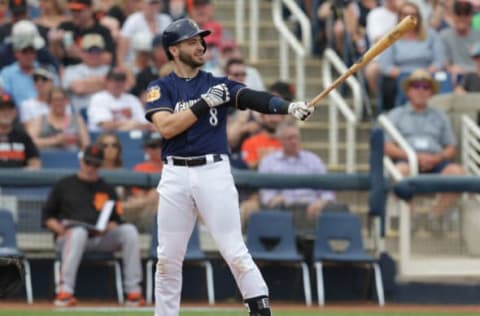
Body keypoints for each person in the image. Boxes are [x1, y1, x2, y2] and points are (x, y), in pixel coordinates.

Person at [144, 18, 314, 316]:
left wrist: (288, 106)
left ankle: (260, 309)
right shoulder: (160, 87)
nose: (200, 45)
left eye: (200, 40)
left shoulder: (217, 83)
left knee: (233, 249)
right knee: (167, 258)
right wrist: (203, 103)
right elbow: (167, 128)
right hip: (175, 173)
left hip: (213, 171)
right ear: (173, 50)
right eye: (191, 41)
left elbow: (252, 98)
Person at [41, 144, 145, 307]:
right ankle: (65, 292)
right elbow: (47, 217)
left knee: (129, 231)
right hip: (69, 238)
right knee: (78, 233)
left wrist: (109, 226)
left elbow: (117, 218)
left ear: (101, 165)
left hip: (100, 238)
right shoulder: (64, 184)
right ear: (81, 161)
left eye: (95, 164)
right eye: (88, 162)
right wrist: (60, 229)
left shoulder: (107, 188)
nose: (91, 167)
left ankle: (134, 293)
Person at [384, 69, 465, 218]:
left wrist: (438, 158)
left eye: (425, 86)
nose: (421, 90)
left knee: (458, 173)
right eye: (416, 86)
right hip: (406, 160)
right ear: (408, 90)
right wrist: (414, 157)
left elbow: (451, 147)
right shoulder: (395, 115)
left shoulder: (441, 116)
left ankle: (434, 218)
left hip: (436, 162)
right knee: (400, 171)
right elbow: (387, 146)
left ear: (431, 92)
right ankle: (410, 220)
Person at [258, 120, 335, 234]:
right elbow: (266, 194)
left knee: (337, 210)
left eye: (296, 137)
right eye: (289, 138)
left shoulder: (314, 160)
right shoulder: (268, 162)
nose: (294, 141)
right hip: (283, 211)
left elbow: (327, 191)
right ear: (280, 140)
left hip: (312, 211)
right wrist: (274, 199)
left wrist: (321, 202)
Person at [122, 131, 163, 232]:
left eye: (161, 145)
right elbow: (139, 197)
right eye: (153, 146)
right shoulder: (140, 168)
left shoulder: (172, 167)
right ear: (146, 149)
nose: (158, 149)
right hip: (147, 212)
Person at [87, 68, 148, 132]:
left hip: (134, 136)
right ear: (107, 81)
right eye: (114, 80)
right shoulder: (99, 98)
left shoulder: (132, 99)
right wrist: (130, 124)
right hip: (106, 137)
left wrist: (134, 125)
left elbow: (144, 123)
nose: (118, 84)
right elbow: (104, 124)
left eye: (121, 80)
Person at [440, 0, 480, 82]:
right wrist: (450, 68)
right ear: (453, 15)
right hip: (454, 76)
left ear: (471, 16)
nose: (462, 18)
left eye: (466, 15)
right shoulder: (444, 35)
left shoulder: (478, 35)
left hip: (475, 76)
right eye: (459, 14)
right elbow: (444, 62)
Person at [0, 93, 41, 169]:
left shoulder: (23, 136)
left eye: (10, 109)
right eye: (2, 109)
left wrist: (25, 173)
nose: (6, 113)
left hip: (18, 180)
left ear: (15, 112)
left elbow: (35, 162)